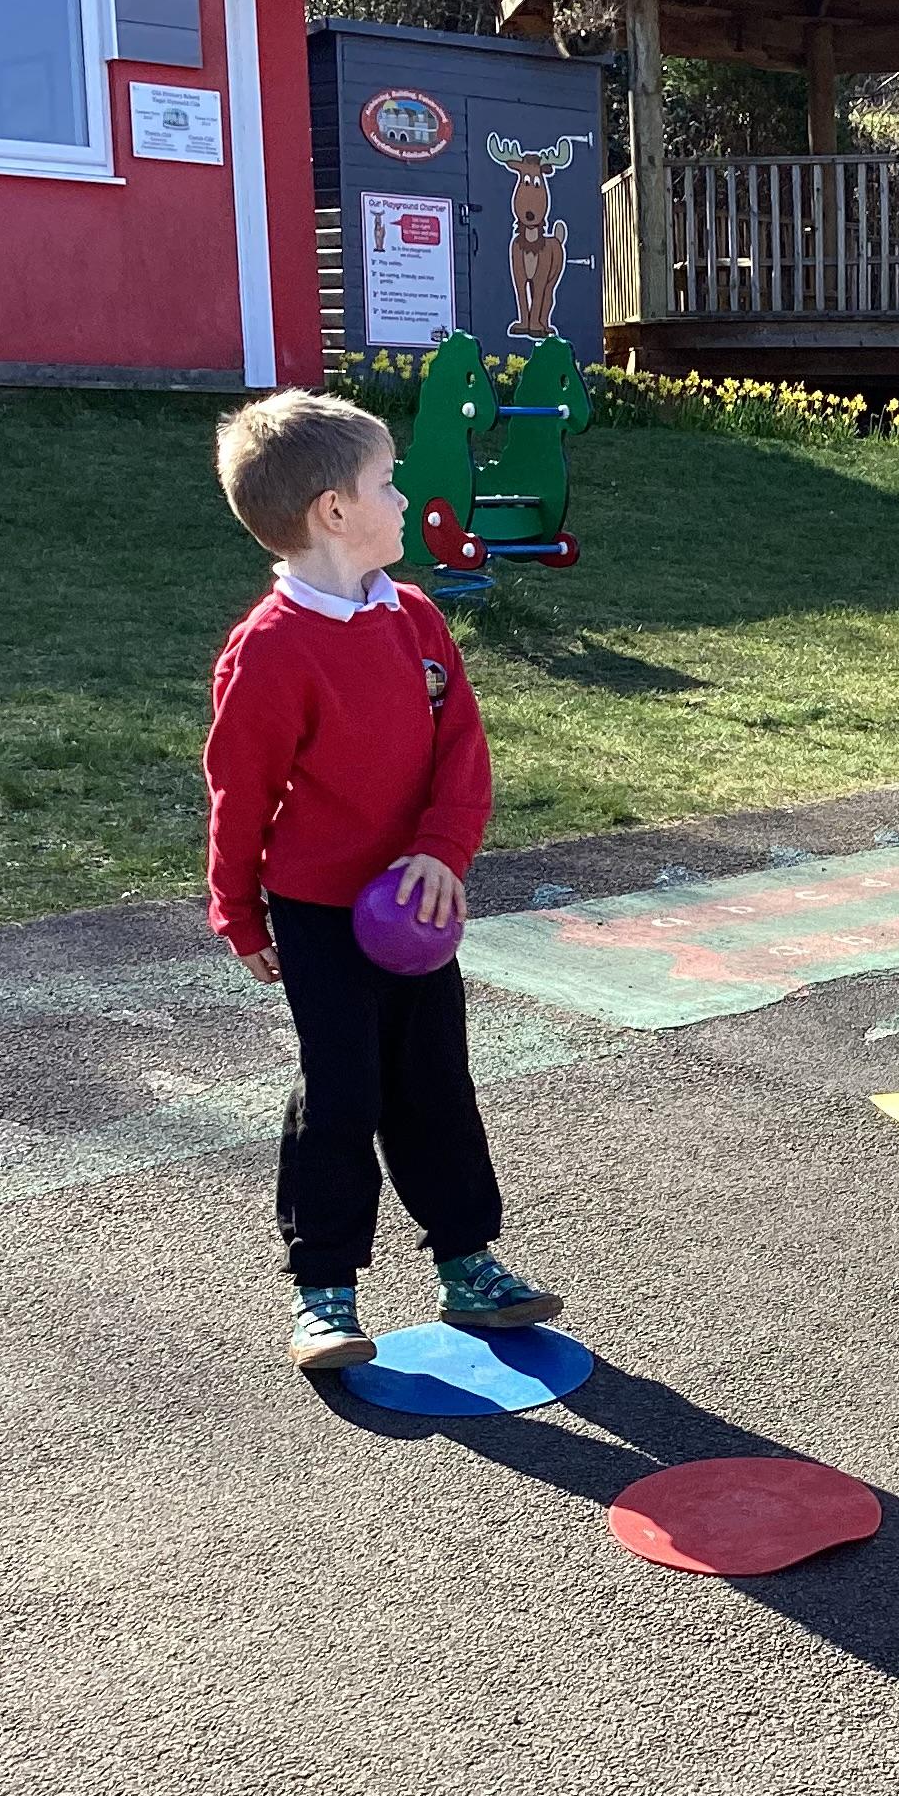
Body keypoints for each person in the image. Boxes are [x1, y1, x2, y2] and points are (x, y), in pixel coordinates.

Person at [202, 389, 560, 1371]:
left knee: (435, 1082)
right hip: (318, 913)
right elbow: (238, 790)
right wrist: (238, 913)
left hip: (415, 909)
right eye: (388, 484)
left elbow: (463, 751)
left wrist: (443, 850)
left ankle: (467, 1263)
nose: (405, 498)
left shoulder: (415, 620)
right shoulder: (271, 651)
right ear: (334, 511)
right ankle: (324, 1291)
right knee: (343, 1090)